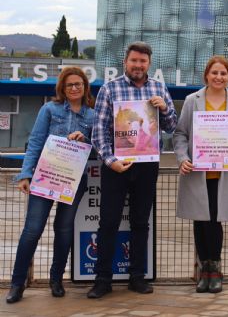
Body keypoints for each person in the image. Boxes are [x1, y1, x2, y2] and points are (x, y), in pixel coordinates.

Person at [87, 42, 177, 298]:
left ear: (149, 63)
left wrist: (165, 108)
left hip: (147, 165)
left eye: (143, 61)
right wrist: (109, 159)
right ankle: (102, 280)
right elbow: (99, 131)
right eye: (134, 61)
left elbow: (171, 126)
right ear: (125, 61)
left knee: (140, 222)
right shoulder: (110, 88)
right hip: (117, 165)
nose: (138, 65)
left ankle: (137, 277)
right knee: (108, 223)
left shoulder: (159, 88)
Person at [6, 67, 95, 304]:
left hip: (73, 181)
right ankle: (17, 284)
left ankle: (56, 280)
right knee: (32, 230)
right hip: (45, 178)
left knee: (64, 230)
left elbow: (99, 149)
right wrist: (25, 174)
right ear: (62, 89)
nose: (74, 88)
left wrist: (86, 139)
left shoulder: (92, 116)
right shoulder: (49, 109)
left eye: (79, 84)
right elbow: (35, 141)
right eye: (70, 85)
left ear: (85, 87)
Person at [173, 55, 228, 294]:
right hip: (198, 171)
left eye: (223, 73)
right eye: (214, 73)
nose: (218, 77)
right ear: (206, 75)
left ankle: (215, 270)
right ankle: (203, 270)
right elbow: (180, 134)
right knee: (200, 219)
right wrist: (183, 158)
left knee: (215, 220)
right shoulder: (191, 100)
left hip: (222, 171)